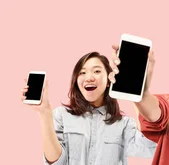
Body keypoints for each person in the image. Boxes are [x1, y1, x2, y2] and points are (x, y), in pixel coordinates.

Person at [21, 52, 156, 165]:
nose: (89, 77)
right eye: (82, 72)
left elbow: (149, 148)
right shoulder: (61, 116)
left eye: (97, 71)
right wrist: (44, 113)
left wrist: (137, 96)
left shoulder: (124, 124)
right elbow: (55, 162)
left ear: (109, 80)